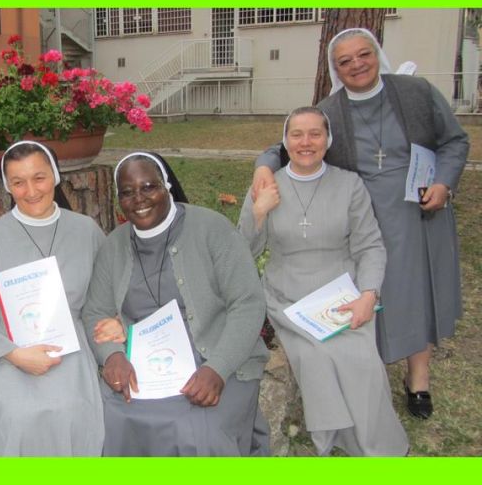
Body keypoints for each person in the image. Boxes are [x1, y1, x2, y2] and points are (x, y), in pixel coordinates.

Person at [252, 28, 469, 419]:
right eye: (344, 61)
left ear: (377, 54)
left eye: (363, 54)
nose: (356, 65)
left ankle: (418, 378)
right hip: (365, 213)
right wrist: (263, 167)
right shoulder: (330, 111)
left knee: (416, 293)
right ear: (335, 69)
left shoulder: (416, 92)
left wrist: (444, 183)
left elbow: (455, 141)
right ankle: (371, 368)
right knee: (373, 289)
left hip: (420, 211)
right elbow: (289, 145)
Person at [239, 107, 409, 455]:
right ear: (285, 141)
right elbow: (242, 252)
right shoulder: (266, 186)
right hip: (287, 297)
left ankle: (376, 444)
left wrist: (368, 295)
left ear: (328, 140)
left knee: (361, 358)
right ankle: (333, 436)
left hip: (341, 294)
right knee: (314, 355)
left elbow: (370, 246)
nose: (306, 142)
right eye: (297, 134)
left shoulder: (350, 185)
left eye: (315, 134)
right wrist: (258, 213)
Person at [81, 152, 269, 456]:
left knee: (196, 429)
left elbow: (247, 304)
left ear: (166, 186)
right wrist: (112, 356)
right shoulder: (114, 245)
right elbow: (95, 311)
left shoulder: (212, 228)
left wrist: (217, 369)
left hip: (214, 356)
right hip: (144, 364)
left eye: (149, 187)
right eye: (127, 192)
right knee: (109, 416)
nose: (139, 199)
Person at [0, 141, 105, 456]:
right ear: (7, 187)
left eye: (39, 178)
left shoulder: (86, 231)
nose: (31, 190)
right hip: (5, 352)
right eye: (18, 182)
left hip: (71, 350)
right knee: (18, 415)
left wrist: (112, 322)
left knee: (70, 409)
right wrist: (14, 354)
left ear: (55, 177)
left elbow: (104, 298)